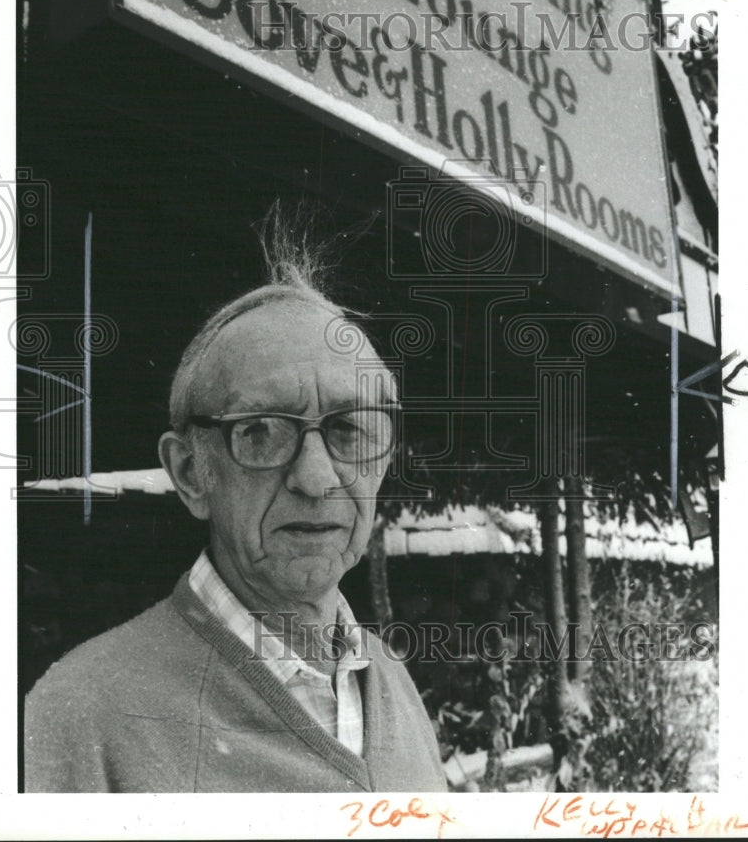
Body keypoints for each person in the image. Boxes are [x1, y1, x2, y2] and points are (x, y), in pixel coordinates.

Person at [24, 216, 448, 793]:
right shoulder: (80, 714)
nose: (317, 477)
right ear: (191, 473)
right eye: (261, 432)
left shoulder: (388, 677)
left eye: (352, 429)